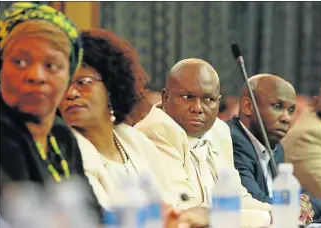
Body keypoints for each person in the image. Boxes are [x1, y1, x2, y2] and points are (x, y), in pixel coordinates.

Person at [58, 29, 210, 228]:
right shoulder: (63, 150)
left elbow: (178, 203)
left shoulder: (134, 140)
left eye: (83, 82)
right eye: (64, 84)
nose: (71, 93)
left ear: (112, 87)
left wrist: (197, 214)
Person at [135, 58, 272, 226]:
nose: (198, 108)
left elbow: (237, 197)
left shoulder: (219, 130)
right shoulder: (154, 133)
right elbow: (184, 213)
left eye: (208, 100)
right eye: (187, 97)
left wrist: (281, 211)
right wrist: (266, 218)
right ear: (165, 98)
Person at [0, 2, 102, 221]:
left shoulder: (61, 135)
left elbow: (92, 214)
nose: (36, 76)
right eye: (20, 62)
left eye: (51, 65)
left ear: (69, 76)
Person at [228, 74, 317, 224]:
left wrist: (304, 205)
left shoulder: (276, 148)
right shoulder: (233, 139)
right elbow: (253, 197)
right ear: (248, 107)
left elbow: (291, 195)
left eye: (291, 110)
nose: (286, 118)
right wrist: (293, 206)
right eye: (277, 107)